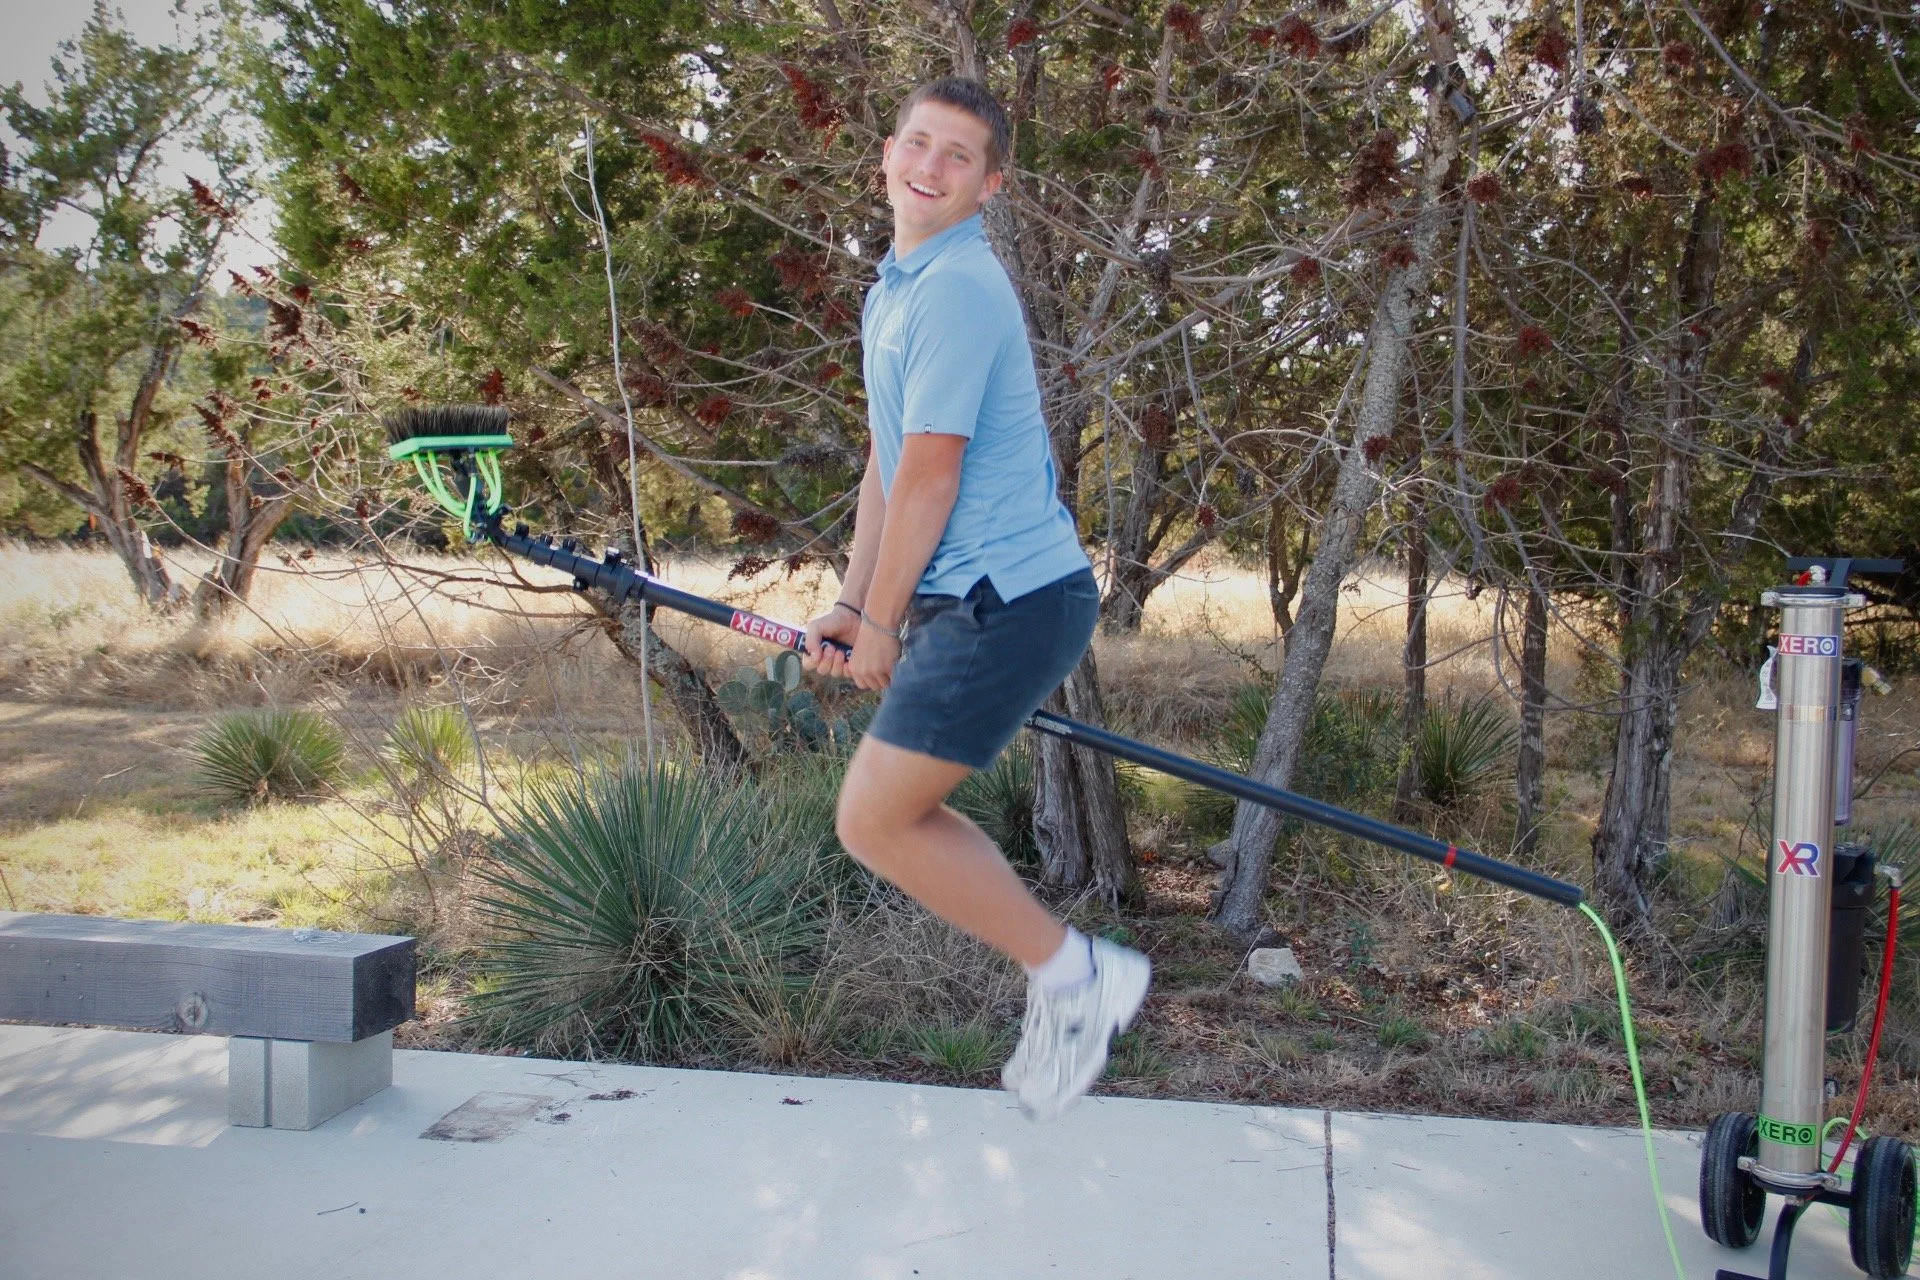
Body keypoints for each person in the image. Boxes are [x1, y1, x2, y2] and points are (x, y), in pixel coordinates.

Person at [800, 77, 1151, 1122]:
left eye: (959, 155)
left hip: (1012, 597)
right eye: (918, 142)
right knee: (881, 816)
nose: (931, 165)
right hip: (975, 597)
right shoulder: (900, 286)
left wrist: (880, 625)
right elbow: (886, 459)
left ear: (990, 183)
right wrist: (853, 599)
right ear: (886, 152)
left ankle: (1080, 975)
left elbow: (933, 478)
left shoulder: (956, 289)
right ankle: (1071, 975)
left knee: (873, 816)